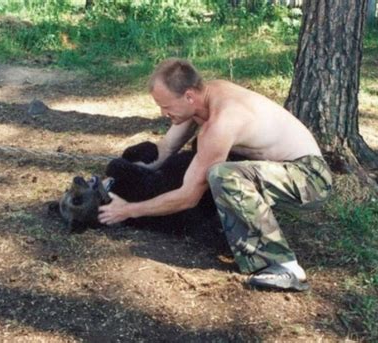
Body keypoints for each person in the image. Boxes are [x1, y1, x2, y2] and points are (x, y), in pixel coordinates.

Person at [98, 58, 332, 291]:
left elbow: (188, 196)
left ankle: (284, 267)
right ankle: (238, 228)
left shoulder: (222, 122)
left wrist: (128, 210)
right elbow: (165, 150)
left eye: (166, 107)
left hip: (309, 177)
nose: (162, 113)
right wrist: (119, 178)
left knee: (222, 174)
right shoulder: (201, 99)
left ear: (189, 96)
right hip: (274, 168)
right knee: (203, 163)